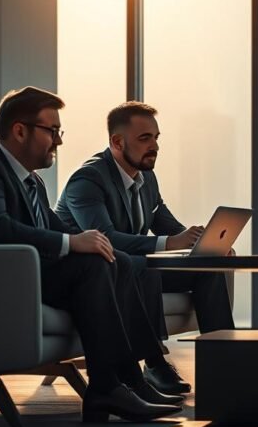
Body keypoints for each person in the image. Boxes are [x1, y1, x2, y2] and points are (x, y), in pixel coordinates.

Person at [0, 86, 184, 423]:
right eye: (51, 131)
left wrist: (91, 240)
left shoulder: (32, 182)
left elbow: (60, 231)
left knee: (120, 261)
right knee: (92, 267)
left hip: (26, 275)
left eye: (59, 131)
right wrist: (72, 244)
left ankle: (129, 381)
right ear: (20, 130)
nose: (59, 141)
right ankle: (108, 388)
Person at [55, 101, 234, 393]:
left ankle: (225, 361)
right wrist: (169, 243)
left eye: (156, 137)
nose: (155, 146)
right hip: (100, 273)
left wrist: (203, 242)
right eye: (144, 138)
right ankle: (154, 363)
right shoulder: (87, 180)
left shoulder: (146, 176)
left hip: (134, 268)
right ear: (116, 142)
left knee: (207, 267)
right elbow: (106, 238)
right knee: (145, 266)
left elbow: (168, 226)